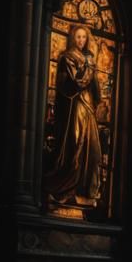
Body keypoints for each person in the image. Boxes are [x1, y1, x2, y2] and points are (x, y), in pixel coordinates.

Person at [44, 24, 103, 208]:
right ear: (72, 38)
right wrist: (89, 67)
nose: (81, 40)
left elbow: (94, 87)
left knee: (92, 148)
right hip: (75, 104)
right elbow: (77, 82)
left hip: (88, 106)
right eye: (78, 37)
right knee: (75, 145)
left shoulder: (89, 58)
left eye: (84, 37)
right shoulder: (67, 57)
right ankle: (64, 188)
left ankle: (84, 191)